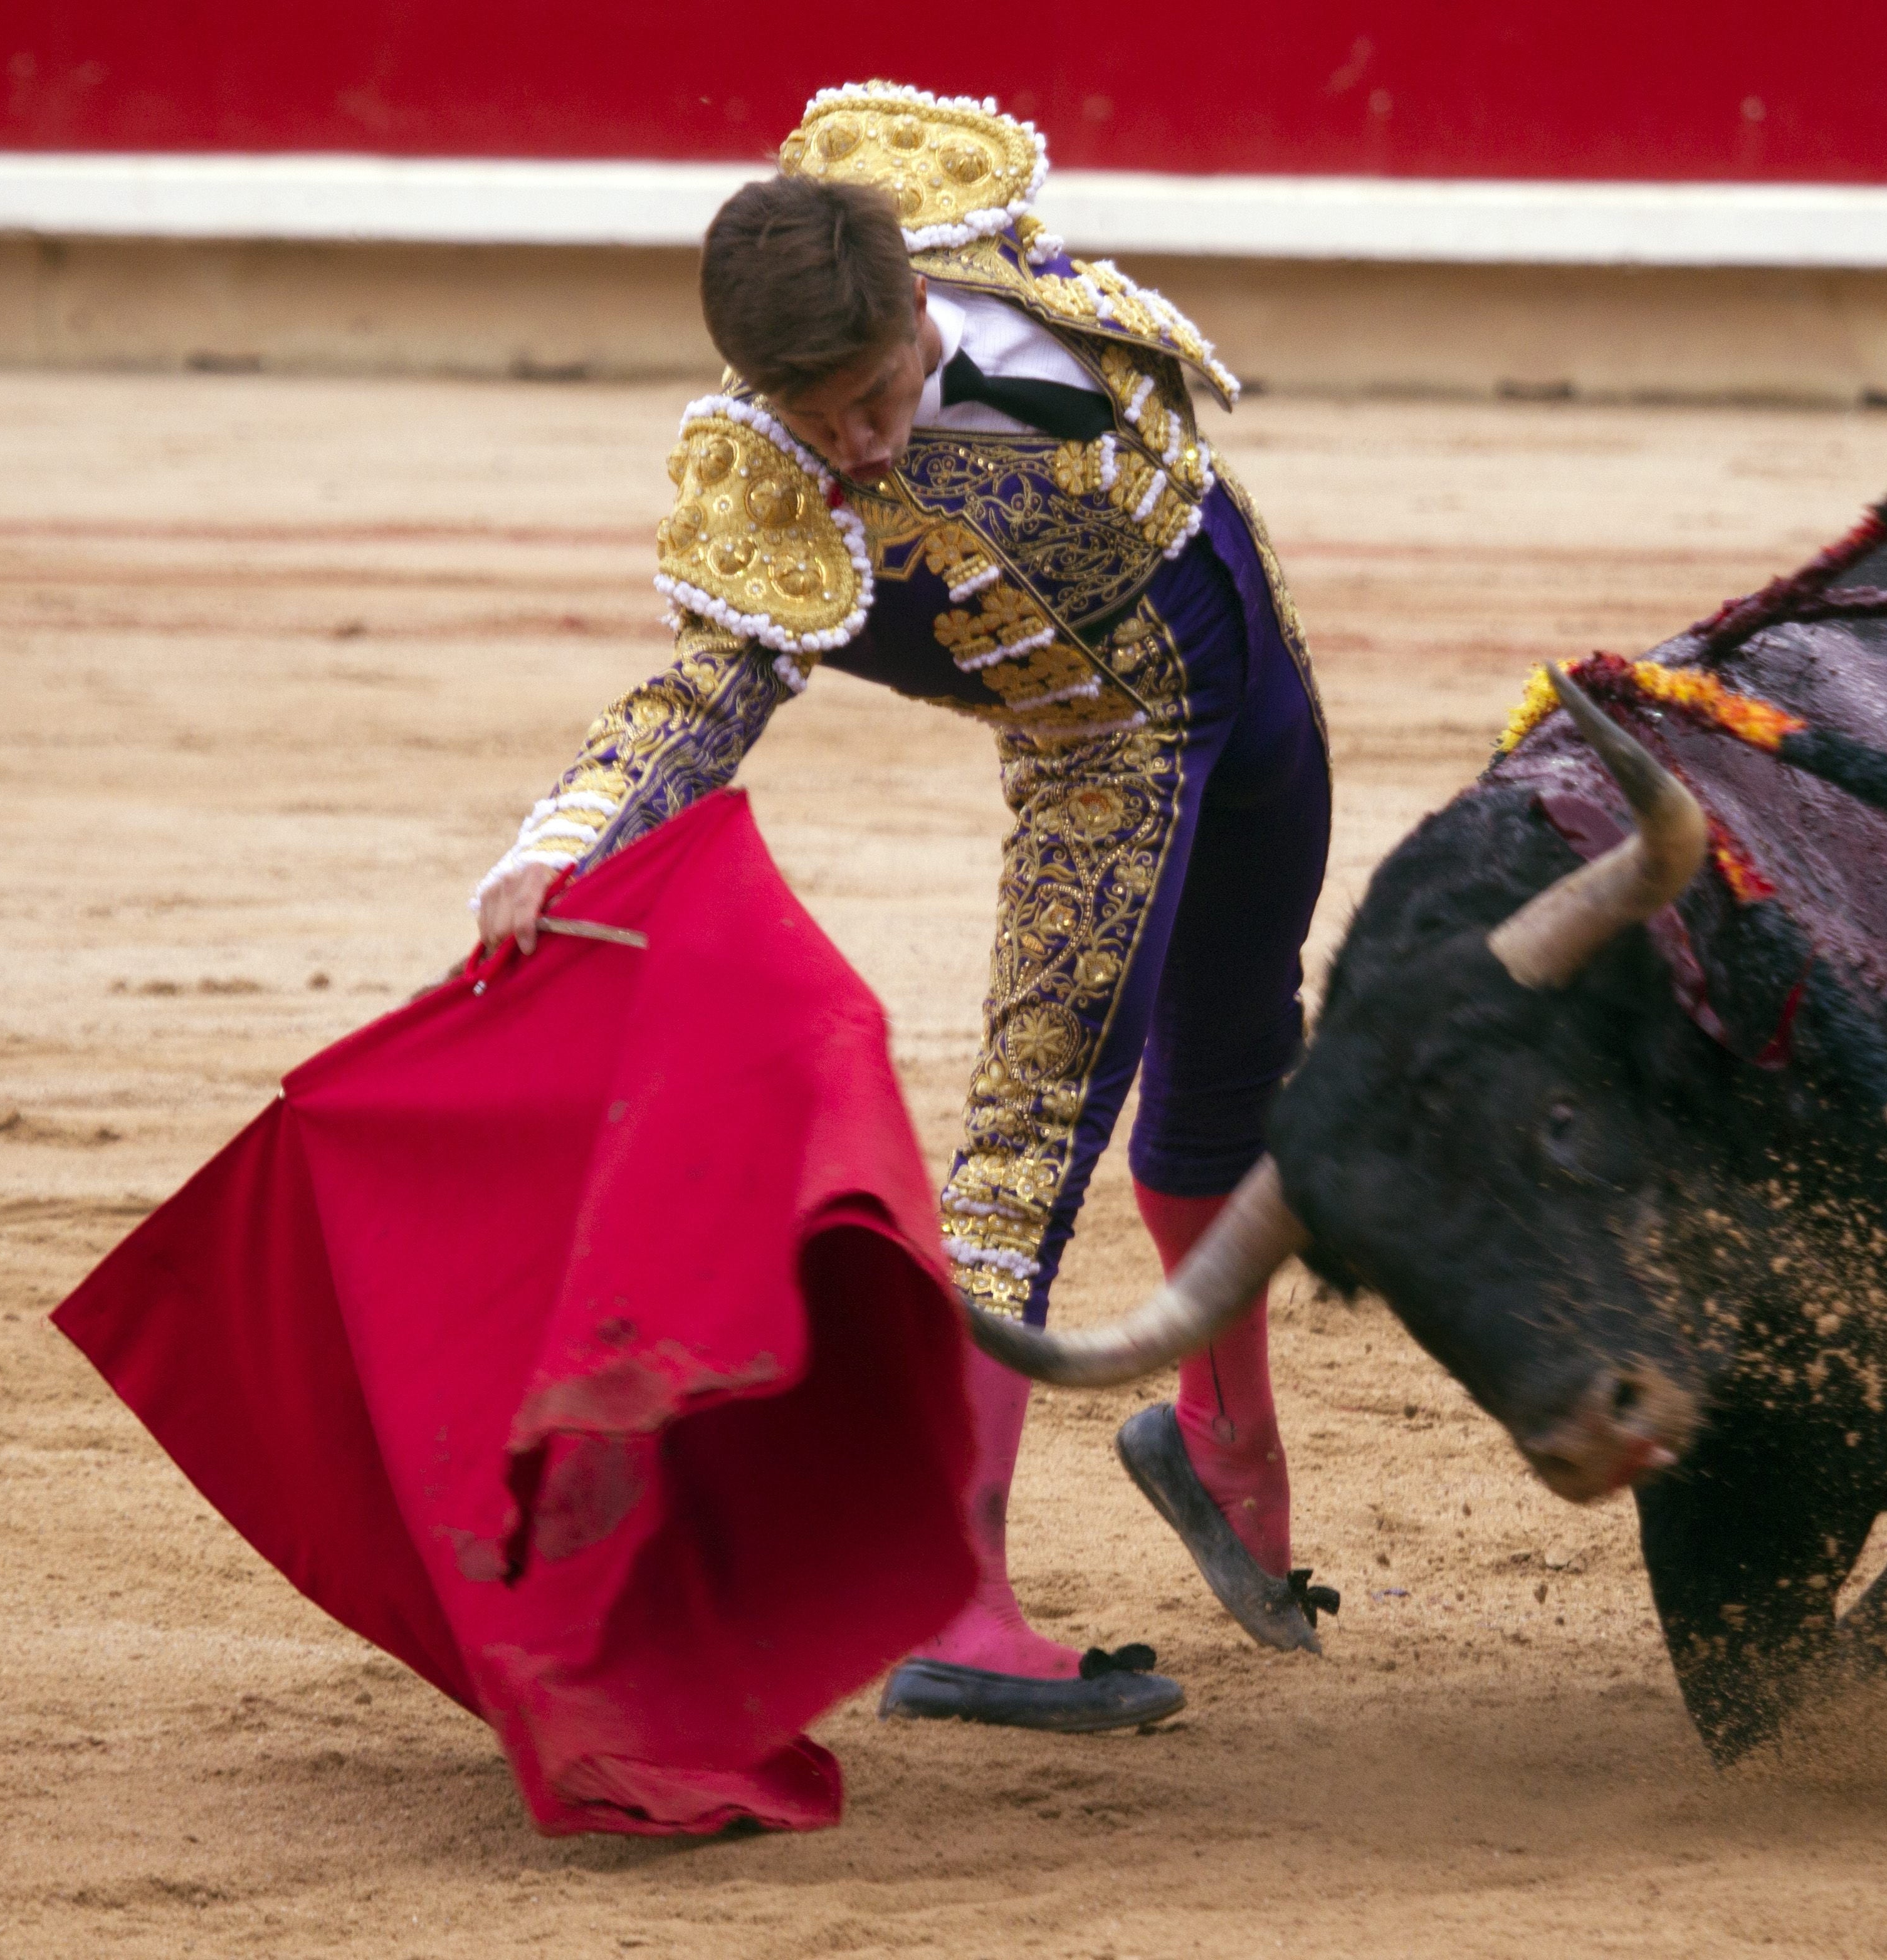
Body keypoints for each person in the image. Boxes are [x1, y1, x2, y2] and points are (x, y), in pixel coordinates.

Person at [474, 81, 1336, 1731]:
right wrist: (562, 842)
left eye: (875, 398)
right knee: (1022, 1157)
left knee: (1236, 1071)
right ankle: (958, 1605)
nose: (861, 448)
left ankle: (1222, 1458)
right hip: (1110, 768)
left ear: (921, 299)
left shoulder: (934, 222)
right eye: (822, 419)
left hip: (1267, 680)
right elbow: (705, 696)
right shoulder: (775, 487)